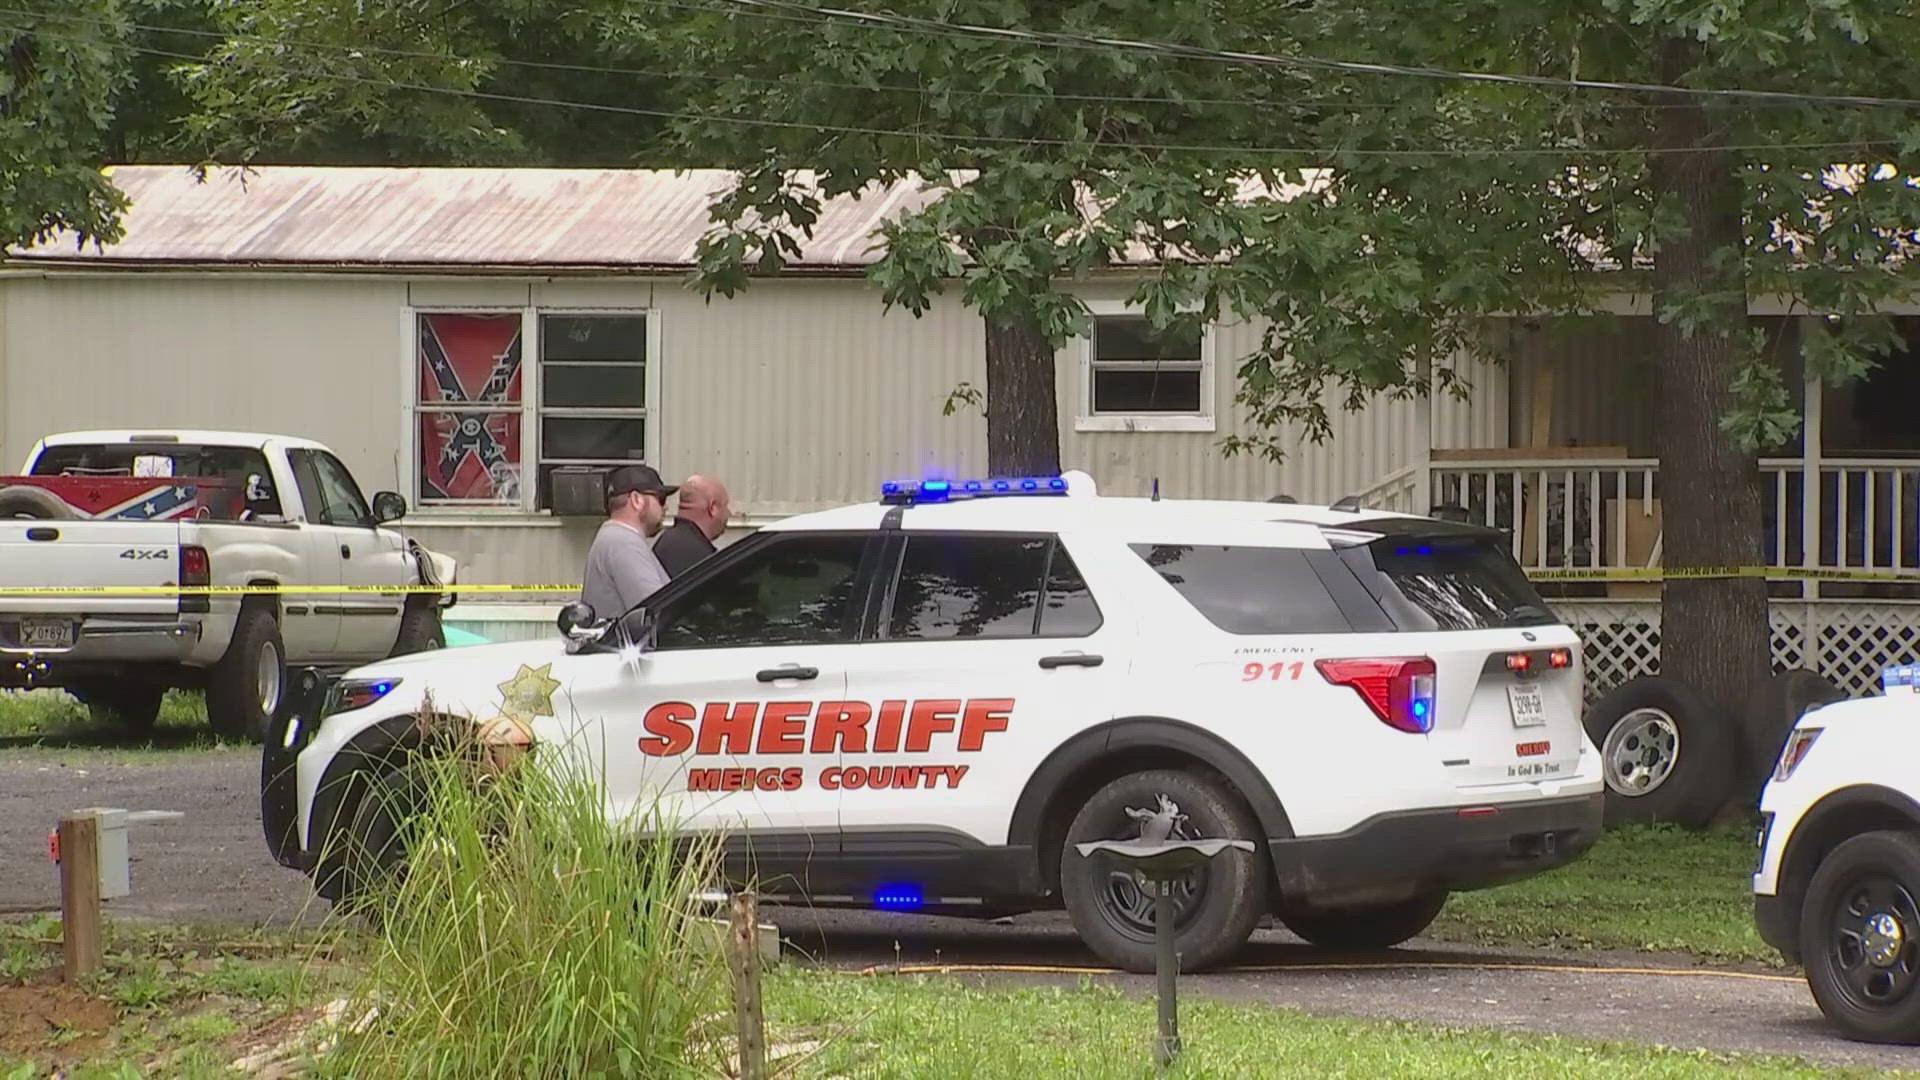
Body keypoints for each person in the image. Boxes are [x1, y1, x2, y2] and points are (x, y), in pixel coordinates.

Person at [580, 464, 675, 619]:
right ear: (636, 500)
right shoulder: (623, 544)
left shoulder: (616, 538)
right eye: (661, 499)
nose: (665, 508)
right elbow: (657, 611)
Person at [654, 474, 731, 577]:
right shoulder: (700, 559)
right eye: (725, 505)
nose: (729, 513)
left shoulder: (667, 541)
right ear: (712, 507)